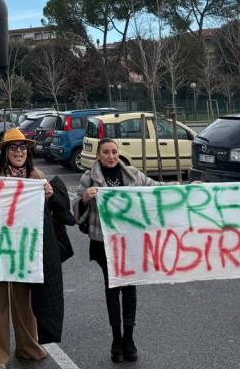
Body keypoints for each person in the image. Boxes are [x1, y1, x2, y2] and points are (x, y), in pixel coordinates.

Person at [0, 127, 53, 369]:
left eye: (23, 147)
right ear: (5, 151)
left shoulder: (35, 175)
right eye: (14, 147)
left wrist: (48, 195)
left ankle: (29, 346)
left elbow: (45, 214)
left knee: (25, 301)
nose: (19, 151)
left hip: (23, 249)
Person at [75, 137, 157, 363]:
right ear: (98, 155)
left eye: (114, 152)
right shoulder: (89, 177)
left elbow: (156, 190)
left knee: (129, 288)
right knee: (112, 288)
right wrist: (84, 198)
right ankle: (116, 339)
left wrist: (186, 188)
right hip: (104, 244)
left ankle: (129, 338)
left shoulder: (132, 174)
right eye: (106, 152)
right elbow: (76, 210)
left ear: (118, 153)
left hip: (130, 242)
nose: (111, 156)